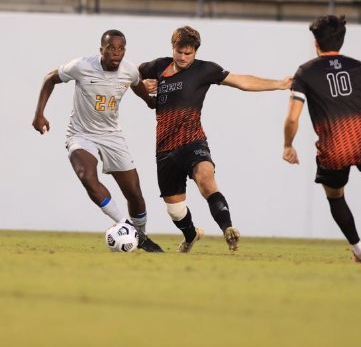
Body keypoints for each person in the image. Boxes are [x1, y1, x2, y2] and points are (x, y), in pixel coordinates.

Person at [135, 25, 292, 253]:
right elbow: (127, 75)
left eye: (188, 53)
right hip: (165, 149)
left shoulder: (204, 70)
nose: (183, 57)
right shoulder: (158, 66)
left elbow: (242, 82)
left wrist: (279, 84)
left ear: (196, 51)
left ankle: (228, 229)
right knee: (176, 211)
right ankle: (191, 235)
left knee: (206, 180)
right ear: (173, 47)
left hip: (193, 141)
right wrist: (141, 87)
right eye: (179, 51)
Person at [32, 29, 163, 252]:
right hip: (81, 134)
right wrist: (39, 114)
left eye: (121, 48)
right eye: (111, 48)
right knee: (87, 176)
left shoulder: (129, 70)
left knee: (135, 194)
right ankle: (129, 229)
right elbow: (50, 78)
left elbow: (137, 85)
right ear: (101, 50)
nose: (116, 53)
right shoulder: (82, 66)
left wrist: (150, 102)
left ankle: (140, 233)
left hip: (112, 136)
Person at [283, 15, 361, 263]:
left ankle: (360, 252)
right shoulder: (360, 68)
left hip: (334, 146)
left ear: (316, 42)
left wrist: (288, 145)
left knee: (335, 196)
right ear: (342, 41)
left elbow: (292, 119)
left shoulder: (305, 72)